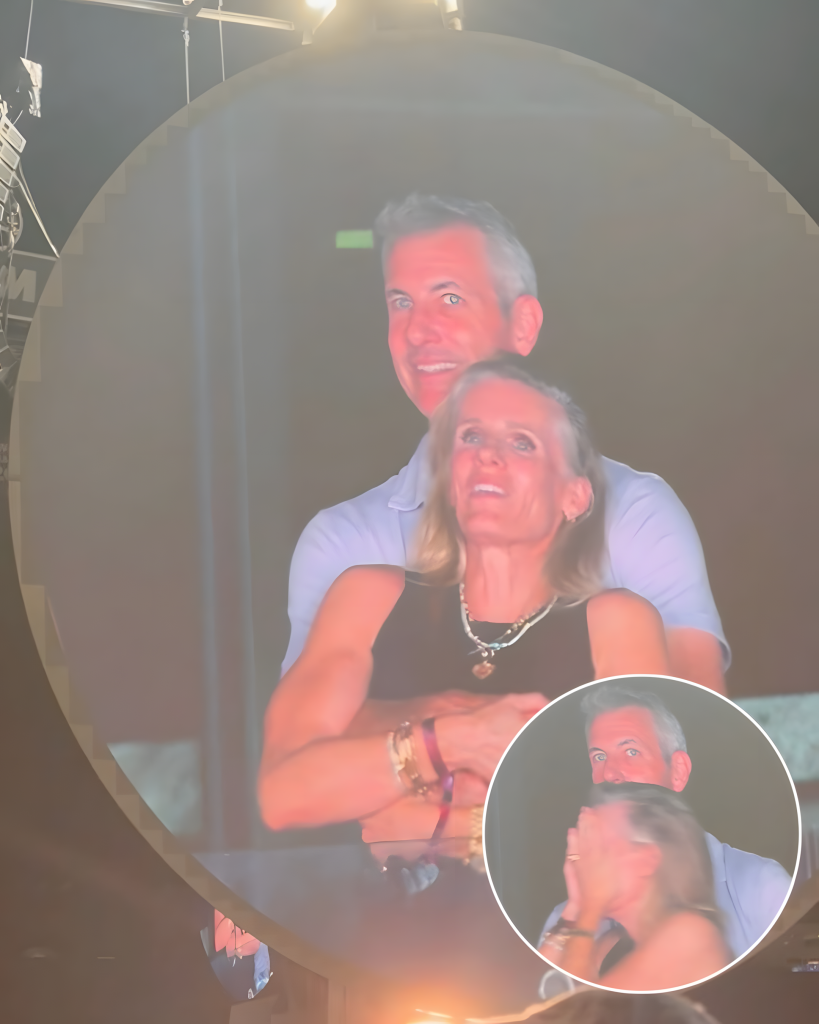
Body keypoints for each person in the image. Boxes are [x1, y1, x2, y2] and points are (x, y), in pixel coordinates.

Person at [281, 194, 728, 692]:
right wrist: (451, 728)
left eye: (450, 299)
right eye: (401, 302)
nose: (418, 332)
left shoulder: (634, 512)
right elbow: (303, 736)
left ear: (523, 326)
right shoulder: (342, 542)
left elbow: (691, 720)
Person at [258, 359, 670, 845]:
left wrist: (443, 825)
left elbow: (645, 816)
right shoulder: (368, 597)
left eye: (523, 443)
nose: (487, 455)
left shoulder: (616, 621)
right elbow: (283, 796)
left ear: (574, 497)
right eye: (471, 437)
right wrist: (452, 739)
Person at [539, 685, 792, 960]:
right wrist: (579, 910)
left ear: (678, 772)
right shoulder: (566, 921)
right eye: (599, 757)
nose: (609, 773)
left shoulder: (762, 888)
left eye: (631, 752)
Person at [539, 783, 731, 991]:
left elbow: (579, 1007)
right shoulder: (611, 945)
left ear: (646, 860)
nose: (586, 857)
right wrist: (575, 907)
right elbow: (534, 995)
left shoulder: (691, 935)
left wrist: (590, 907)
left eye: (598, 845)